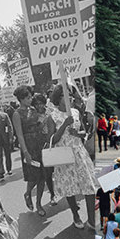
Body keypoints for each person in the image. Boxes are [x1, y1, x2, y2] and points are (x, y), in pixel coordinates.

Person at [49, 84, 99, 229]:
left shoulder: (76, 112)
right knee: (69, 188)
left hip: (79, 153)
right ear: (59, 98)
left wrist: (78, 134)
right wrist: (64, 125)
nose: (70, 98)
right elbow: (51, 140)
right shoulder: (52, 117)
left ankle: (91, 219)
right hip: (64, 156)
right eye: (66, 95)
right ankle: (76, 215)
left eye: (70, 95)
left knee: (90, 186)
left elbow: (85, 132)